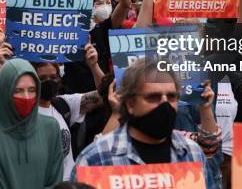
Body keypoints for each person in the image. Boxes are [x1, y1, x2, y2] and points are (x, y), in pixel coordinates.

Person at [71, 58, 214, 188]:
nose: (165, 104)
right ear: (130, 103)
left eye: (171, 96)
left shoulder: (192, 153)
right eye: (153, 97)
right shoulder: (96, 159)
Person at [0, 59, 64, 189]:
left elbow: (55, 180)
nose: (27, 97)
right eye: (18, 90)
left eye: (32, 89)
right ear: (5, 91)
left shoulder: (51, 127)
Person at [63, 0, 131, 93]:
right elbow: (51, 9)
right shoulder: (65, 28)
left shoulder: (104, 26)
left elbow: (125, 3)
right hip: (72, 96)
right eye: (100, 3)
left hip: (100, 93)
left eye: (108, 2)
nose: (105, 6)